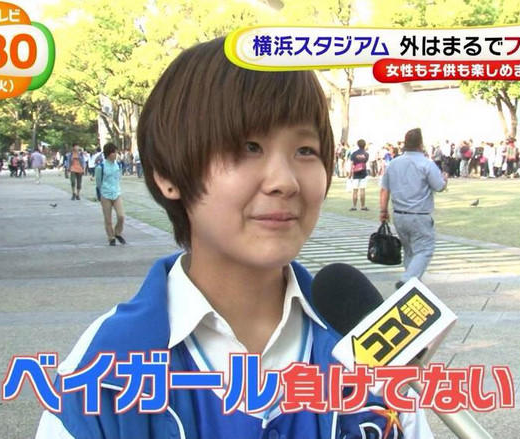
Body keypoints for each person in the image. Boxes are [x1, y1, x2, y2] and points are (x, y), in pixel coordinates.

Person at [36, 37, 431, 439]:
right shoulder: (104, 371)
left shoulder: (371, 354)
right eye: (249, 147)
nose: (285, 181)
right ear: (168, 174)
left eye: (305, 150)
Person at [379, 128, 447, 290]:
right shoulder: (426, 164)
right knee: (424, 249)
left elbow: (384, 189)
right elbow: (438, 186)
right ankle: (408, 280)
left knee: (409, 250)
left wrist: (383, 210)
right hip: (419, 213)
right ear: (420, 144)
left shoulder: (393, 163)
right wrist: (445, 180)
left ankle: (412, 285)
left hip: (399, 214)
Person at [95, 142, 126, 245]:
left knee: (121, 216)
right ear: (108, 154)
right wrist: (100, 194)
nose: (116, 154)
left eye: (116, 152)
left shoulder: (117, 165)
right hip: (105, 194)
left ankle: (117, 232)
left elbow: (118, 178)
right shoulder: (101, 167)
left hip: (116, 193)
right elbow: (98, 182)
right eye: (114, 152)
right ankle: (111, 237)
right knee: (108, 219)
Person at [348, 139, 370, 211]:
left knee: (355, 190)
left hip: (355, 172)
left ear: (358, 145)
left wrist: (350, 173)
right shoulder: (366, 154)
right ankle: (363, 206)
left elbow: (352, 164)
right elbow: (365, 161)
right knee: (362, 190)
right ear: (364, 145)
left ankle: (354, 206)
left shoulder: (354, 153)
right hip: (363, 172)